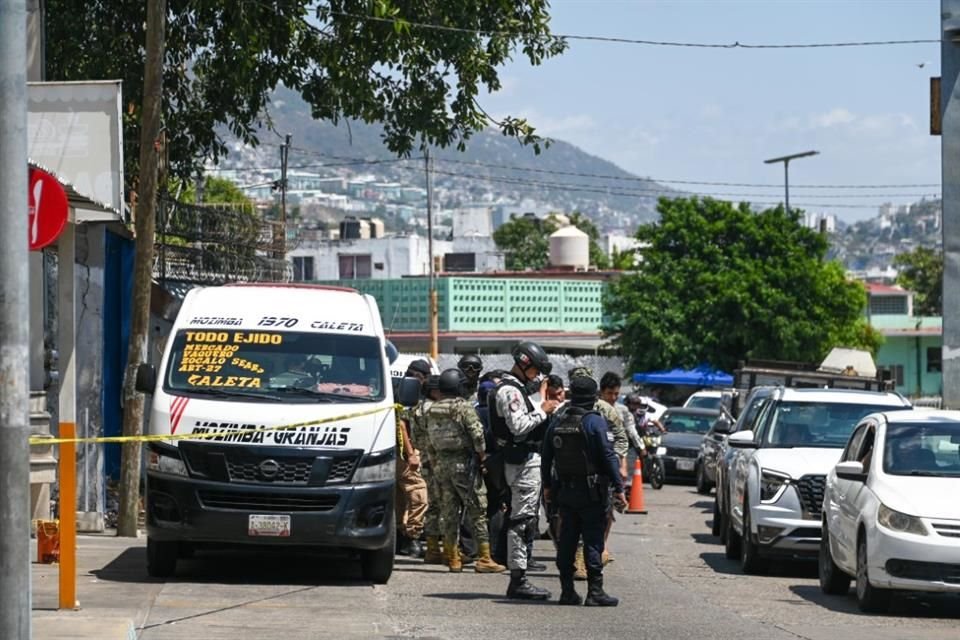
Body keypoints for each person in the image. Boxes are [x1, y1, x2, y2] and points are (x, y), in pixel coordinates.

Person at [542, 376, 626, 606]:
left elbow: (546, 456)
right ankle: (595, 592)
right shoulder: (595, 422)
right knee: (593, 541)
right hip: (592, 494)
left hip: (564, 492)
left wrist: (547, 487)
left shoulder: (557, 420)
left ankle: (567, 591)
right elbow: (608, 457)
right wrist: (619, 487)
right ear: (594, 397)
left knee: (567, 540)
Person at [492, 341, 560, 600]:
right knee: (522, 521)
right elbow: (519, 426)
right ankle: (518, 579)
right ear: (524, 363)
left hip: (523, 461)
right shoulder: (509, 391)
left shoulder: (515, 388)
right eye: (536, 370)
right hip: (521, 463)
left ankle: (518, 575)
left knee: (524, 519)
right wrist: (543, 411)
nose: (538, 376)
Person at [426, 369, 506, 573]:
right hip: (464, 463)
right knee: (478, 509)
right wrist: (482, 456)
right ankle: (485, 558)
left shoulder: (432, 408)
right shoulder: (463, 407)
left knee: (449, 511)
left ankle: (452, 558)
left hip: (441, 465)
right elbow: (477, 434)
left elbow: (429, 439)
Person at [395, 360, 431, 558]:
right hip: (407, 454)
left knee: (401, 498)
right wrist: (410, 454)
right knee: (419, 496)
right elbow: (401, 424)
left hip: (402, 453)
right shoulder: (407, 394)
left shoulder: (404, 391)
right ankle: (412, 538)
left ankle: (402, 537)